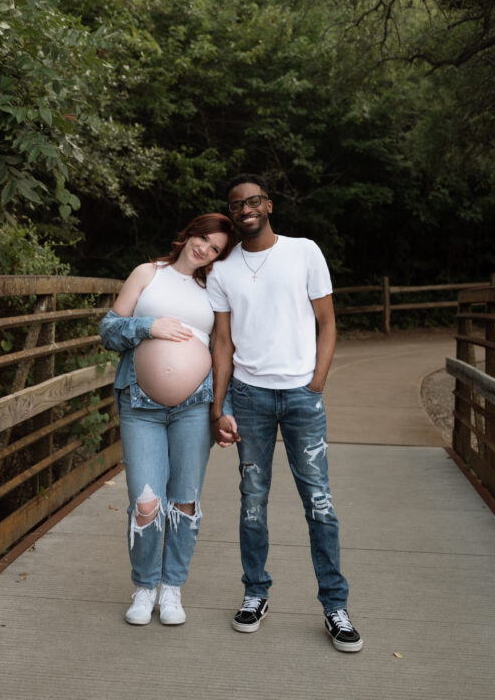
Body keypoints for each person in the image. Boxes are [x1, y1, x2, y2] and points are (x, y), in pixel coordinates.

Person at [206, 175, 363, 652]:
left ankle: (335, 605)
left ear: (268, 205)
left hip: (300, 397)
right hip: (250, 398)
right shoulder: (222, 270)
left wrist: (317, 380)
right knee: (253, 500)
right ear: (231, 215)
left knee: (319, 501)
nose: (245, 209)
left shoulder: (304, 252)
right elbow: (222, 342)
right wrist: (218, 406)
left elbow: (327, 320)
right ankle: (256, 592)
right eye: (236, 205)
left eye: (252, 201)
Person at [99, 212, 236, 628]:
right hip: (140, 404)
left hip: (195, 406)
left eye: (215, 248)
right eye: (202, 238)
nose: (204, 249)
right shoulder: (148, 272)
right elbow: (108, 330)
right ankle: (144, 587)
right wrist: (148, 325)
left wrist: (223, 410)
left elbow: (223, 350)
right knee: (146, 501)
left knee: (185, 500)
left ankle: (172, 587)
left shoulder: (213, 288)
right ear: (189, 232)